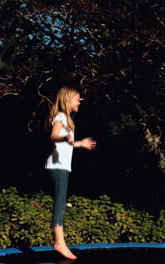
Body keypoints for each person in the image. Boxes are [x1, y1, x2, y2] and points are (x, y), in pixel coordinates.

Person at [45, 86, 96, 260]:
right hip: (57, 166)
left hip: (62, 166)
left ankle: (60, 241)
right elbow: (53, 136)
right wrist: (63, 138)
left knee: (61, 202)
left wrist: (79, 144)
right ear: (67, 100)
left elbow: (67, 142)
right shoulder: (60, 117)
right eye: (77, 99)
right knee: (59, 203)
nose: (79, 102)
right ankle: (59, 242)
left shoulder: (67, 119)